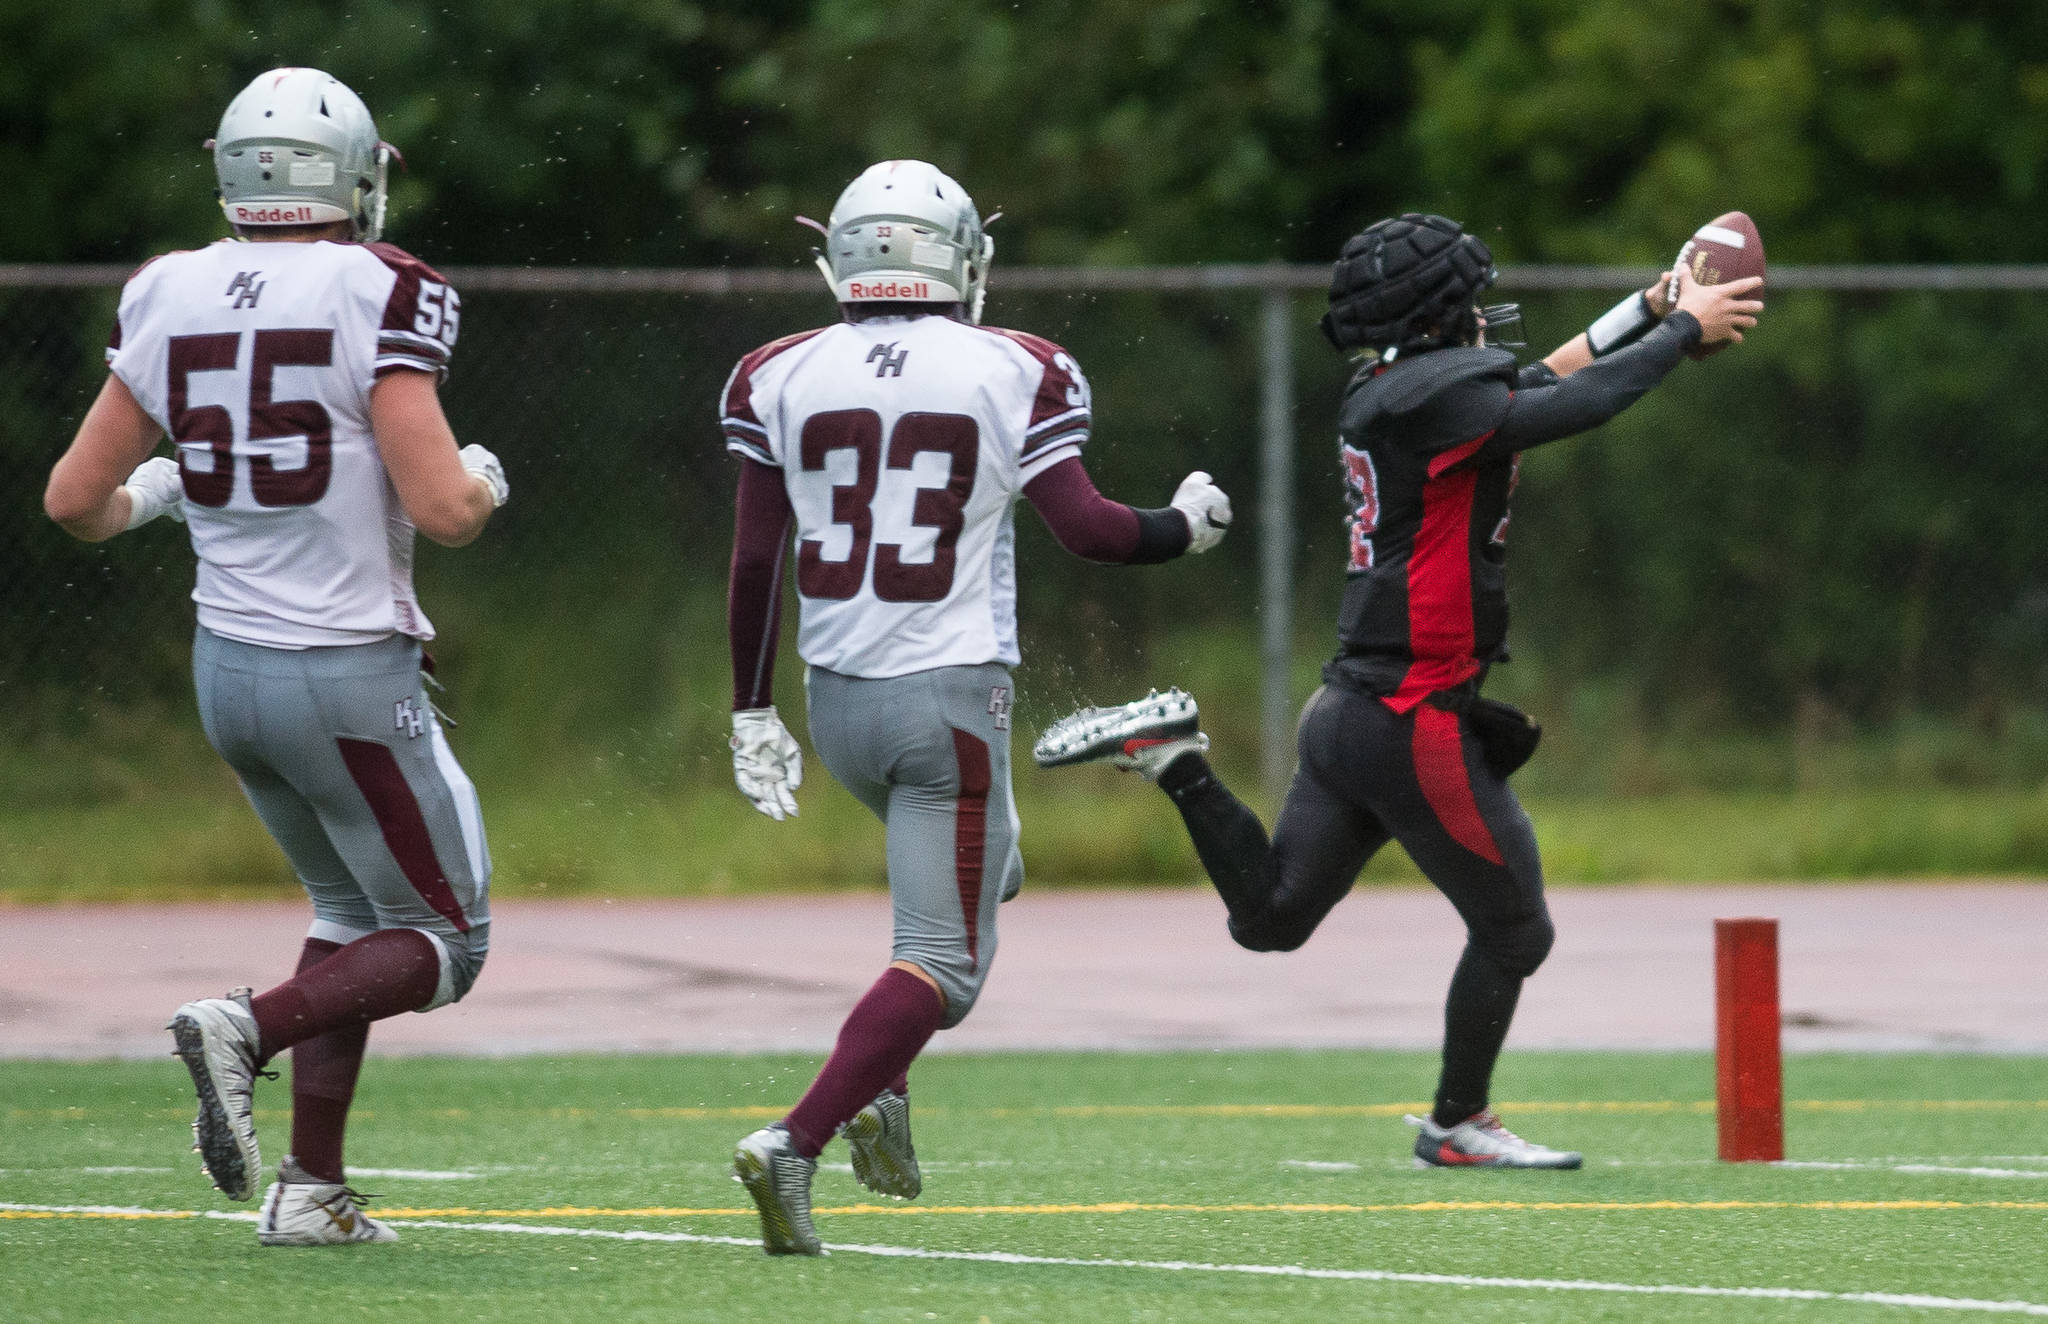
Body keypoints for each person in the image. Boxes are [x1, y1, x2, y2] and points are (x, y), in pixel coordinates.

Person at [1037, 213, 1762, 1169]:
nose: (1482, 310)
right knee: (1517, 929)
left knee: (1272, 919)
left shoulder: (1400, 389)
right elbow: (1577, 406)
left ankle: (1178, 763)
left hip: (1348, 712)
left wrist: (1649, 306)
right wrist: (1680, 335)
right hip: (1412, 713)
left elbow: (1546, 377)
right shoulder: (1443, 402)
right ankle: (1458, 1120)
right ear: (1441, 311)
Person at [720, 159, 1233, 1254]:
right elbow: (1088, 529)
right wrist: (1181, 526)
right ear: (960, 258)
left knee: (991, 867)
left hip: (833, 699)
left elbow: (754, 557)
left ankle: (876, 1089)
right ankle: (800, 1136)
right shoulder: (1015, 368)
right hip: (945, 700)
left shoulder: (775, 371)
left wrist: (747, 708)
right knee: (945, 966)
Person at [43, 67, 508, 1244]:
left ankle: (311, 1190)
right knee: (446, 940)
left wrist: (168, 488)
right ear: (353, 175)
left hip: (229, 672)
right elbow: (444, 507)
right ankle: (243, 1025)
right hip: (346, 669)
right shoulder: (379, 285)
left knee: (350, 907)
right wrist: (487, 482)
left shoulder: (166, 289)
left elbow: (73, 503)